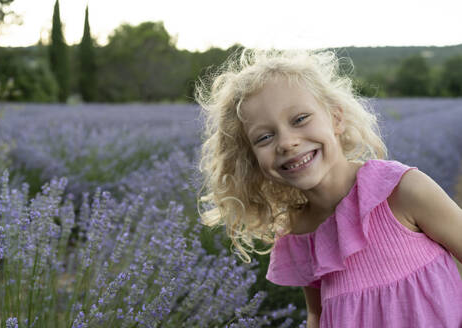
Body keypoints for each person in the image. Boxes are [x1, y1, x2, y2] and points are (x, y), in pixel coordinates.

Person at [195, 48, 462, 327]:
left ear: (336, 118)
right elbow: (317, 314)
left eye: (299, 119)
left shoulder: (402, 191)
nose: (286, 142)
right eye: (264, 137)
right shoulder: (298, 232)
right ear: (252, 159)